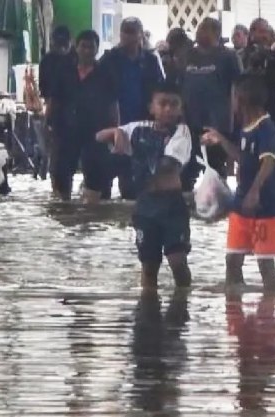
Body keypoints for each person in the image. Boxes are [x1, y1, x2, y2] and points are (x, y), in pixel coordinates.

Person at [95, 84, 193, 291]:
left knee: (177, 262)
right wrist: (116, 131)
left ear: (181, 109)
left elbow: (167, 165)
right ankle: (148, 303)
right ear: (152, 107)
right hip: (145, 205)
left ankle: (183, 299)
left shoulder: (182, 132)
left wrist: (129, 151)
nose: (168, 109)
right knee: (149, 266)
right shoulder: (138, 128)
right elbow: (99, 136)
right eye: (163, 104)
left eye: (173, 104)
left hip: (171, 205)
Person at [201, 76, 275, 291]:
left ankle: (270, 303)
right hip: (242, 202)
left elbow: (269, 161)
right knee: (233, 259)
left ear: (241, 99)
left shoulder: (266, 127)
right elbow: (242, 157)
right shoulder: (245, 127)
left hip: (267, 206)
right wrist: (220, 139)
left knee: (265, 264)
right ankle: (234, 304)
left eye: (233, 96)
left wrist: (255, 191)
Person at [98, 17, 165, 199]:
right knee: (103, 183)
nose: (128, 37)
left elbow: (160, 90)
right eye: (125, 32)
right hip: (113, 125)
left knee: (133, 185)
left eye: (132, 32)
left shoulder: (150, 61)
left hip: (141, 126)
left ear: (140, 35)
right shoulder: (109, 59)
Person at [52, 30, 117, 203]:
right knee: (63, 172)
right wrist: (49, 123)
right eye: (83, 46)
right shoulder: (65, 71)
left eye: (91, 47)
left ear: (97, 49)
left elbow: (113, 103)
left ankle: (92, 211)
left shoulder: (105, 73)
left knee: (96, 174)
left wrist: (114, 130)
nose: (87, 51)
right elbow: (55, 100)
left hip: (96, 130)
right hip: (67, 129)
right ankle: (63, 207)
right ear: (76, 47)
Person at [181, 17, 240, 190]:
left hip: (217, 125)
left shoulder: (228, 56)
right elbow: (180, 85)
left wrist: (233, 123)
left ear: (216, 33)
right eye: (199, 28)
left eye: (205, 29)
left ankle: (218, 202)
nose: (199, 32)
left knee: (216, 172)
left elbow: (237, 88)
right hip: (190, 123)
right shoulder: (188, 55)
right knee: (186, 171)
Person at [240, 18, 275, 120]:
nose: (265, 35)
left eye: (266, 31)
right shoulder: (243, 55)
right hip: (249, 108)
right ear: (252, 33)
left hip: (270, 108)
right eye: (261, 31)